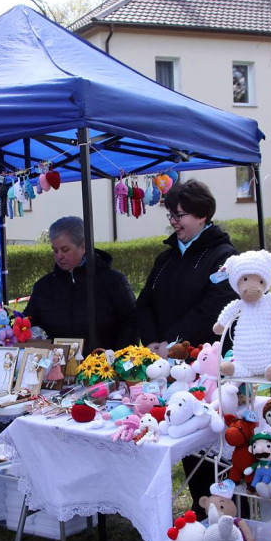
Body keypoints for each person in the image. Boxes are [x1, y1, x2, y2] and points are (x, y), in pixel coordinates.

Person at [135, 179, 238, 518]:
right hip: (167, 361)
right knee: (180, 430)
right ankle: (199, 506)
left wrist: (175, 342)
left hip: (206, 363)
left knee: (211, 438)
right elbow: (145, 301)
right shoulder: (165, 258)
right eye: (171, 215)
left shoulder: (223, 256)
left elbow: (216, 307)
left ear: (202, 214)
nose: (174, 221)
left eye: (180, 215)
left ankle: (225, 509)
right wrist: (152, 341)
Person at [22, 216, 137, 352]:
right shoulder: (43, 287)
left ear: (83, 247)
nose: (59, 256)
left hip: (103, 368)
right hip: (57, 368)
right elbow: (28, 321)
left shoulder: (113, 281)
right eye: (55, 250)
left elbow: (132, 321)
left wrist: (119, 359)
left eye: (65, 250)